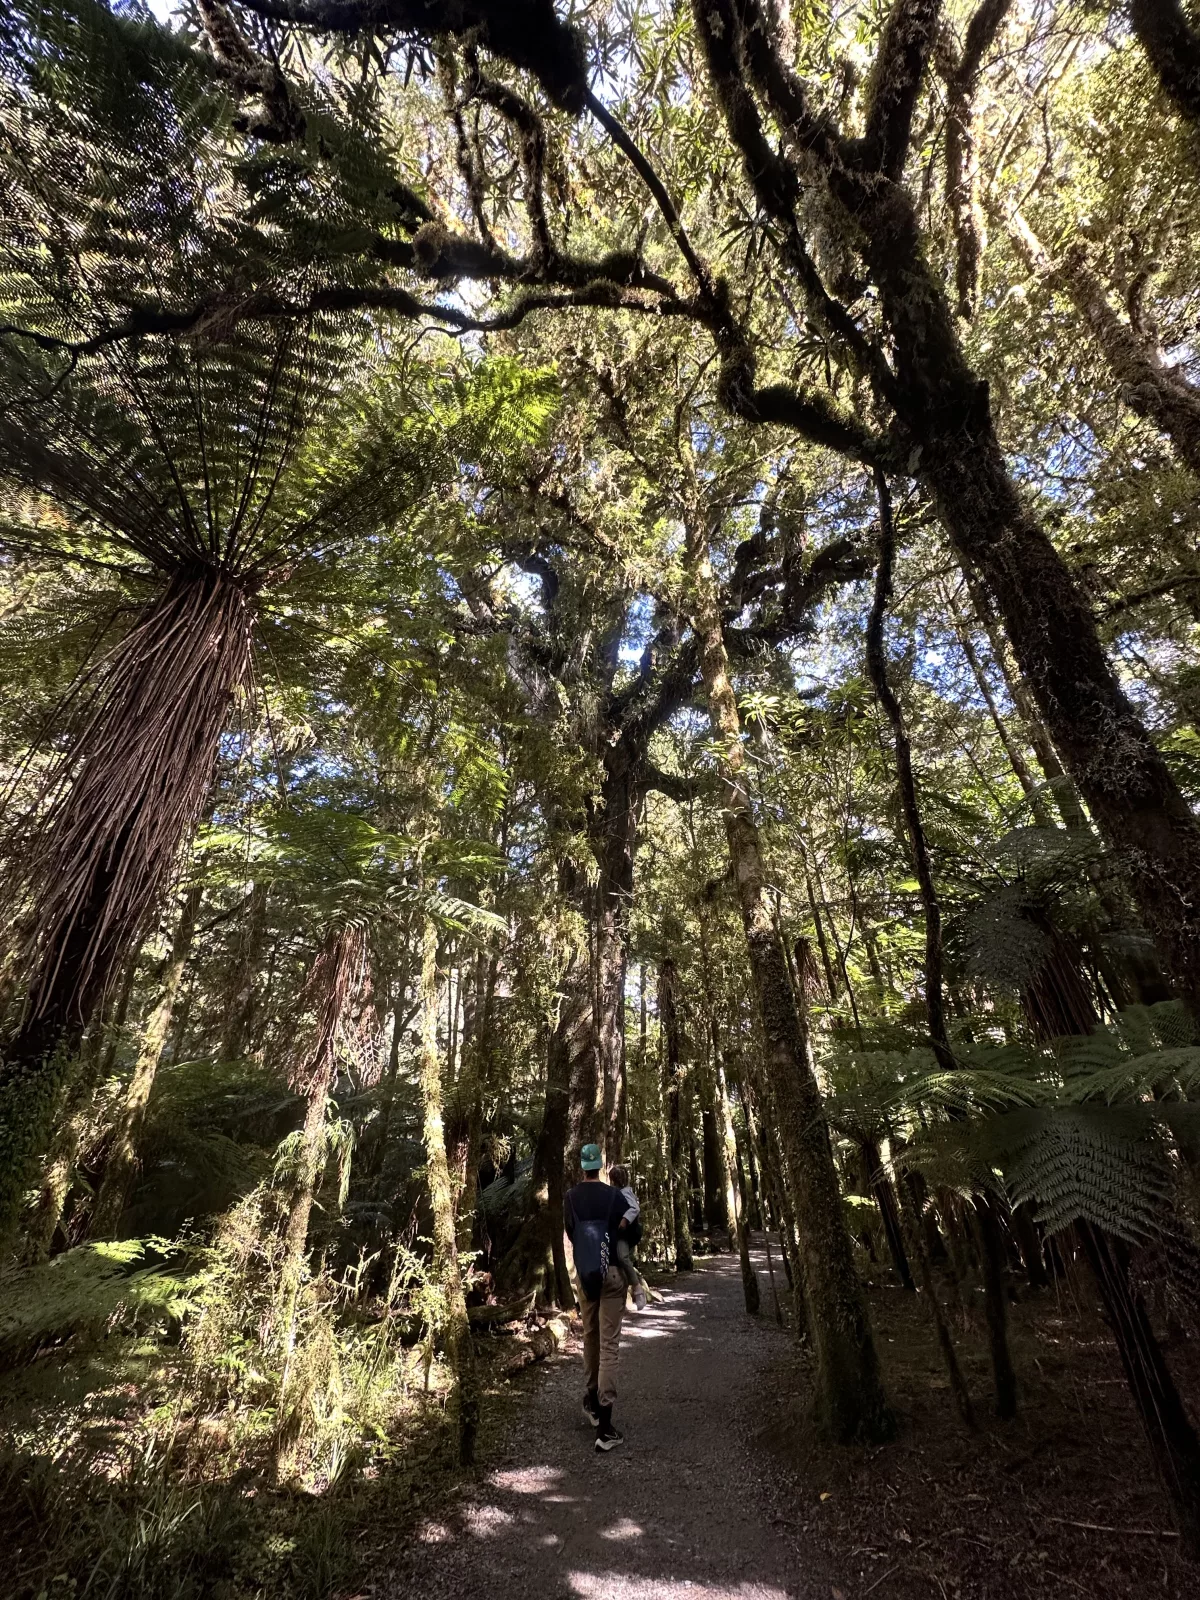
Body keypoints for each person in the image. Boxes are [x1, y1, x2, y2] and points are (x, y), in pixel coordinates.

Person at [563, 1142, 629, 1451]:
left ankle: (590, 1402)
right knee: (609, 1346)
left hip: (585, 1277)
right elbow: (633, 1232)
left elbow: (571, 1232)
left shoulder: (570, 1199)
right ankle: (605, 1427)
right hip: (612, 1274)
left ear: (581, 1166)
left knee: (590, 1337)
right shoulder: (614, 1197)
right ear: (600, 1165)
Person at [607, 1163, 648, 1311]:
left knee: (622, 1257)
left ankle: (638, 1289)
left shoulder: (625, 1192)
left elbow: (635, 1208)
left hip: (626, 1234)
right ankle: (623, 1297)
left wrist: (624, 1220)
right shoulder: (617, 1192)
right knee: (618, 1263)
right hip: (619, 1234)